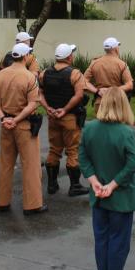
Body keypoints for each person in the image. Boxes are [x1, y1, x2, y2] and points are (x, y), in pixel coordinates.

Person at [80, 87, 135, 270]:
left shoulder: (89, 128)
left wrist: (94, 181)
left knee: (101, 238)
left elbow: (83, 157)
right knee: (119, 240)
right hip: (121, 197)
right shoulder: (126, 132)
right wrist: (113, 185)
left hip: (98, 195)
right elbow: (131, 165)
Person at [0, 42, 45, 214]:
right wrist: (17, 119)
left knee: (5, 164)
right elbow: (32, 104)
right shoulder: (29, 77)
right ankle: (32, 204)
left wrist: (3, 117)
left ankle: (3, 201)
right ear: (25, 56)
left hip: (6, 124)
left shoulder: (0, 75)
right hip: (24, 125)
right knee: (30, 165)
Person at [40, 43, 90, 197]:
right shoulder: (75, 74)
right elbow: (79, 95)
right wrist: (65, 109)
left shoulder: (44, 73)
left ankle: (52, 185)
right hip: (69, 118)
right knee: (73, 150)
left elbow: (39, 93)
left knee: (54, 149)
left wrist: (48, 108)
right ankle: (75, 186)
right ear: (69, 57)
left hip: (53, 117)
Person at [84, 37, 134, 104]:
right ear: (116, 49)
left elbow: (83, 82)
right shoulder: (122, 64)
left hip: (100, 103)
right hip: (117, 103)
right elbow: (129, 85)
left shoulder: (94, 63)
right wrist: (112, 90)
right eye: (118, 46)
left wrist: (97, 91)